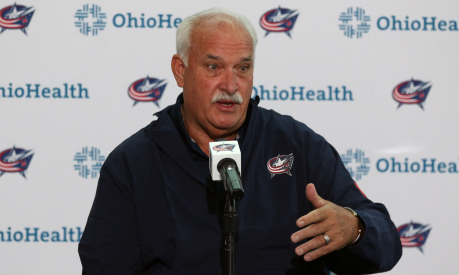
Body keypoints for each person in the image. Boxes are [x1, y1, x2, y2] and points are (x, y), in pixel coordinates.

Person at [79, 7, 402, 274]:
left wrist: (354, 229)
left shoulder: (296, 145)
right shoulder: (133, 164)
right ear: (181, 71)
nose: (231, 84)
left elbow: (386, 244)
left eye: (243, 68)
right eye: (213, 67)